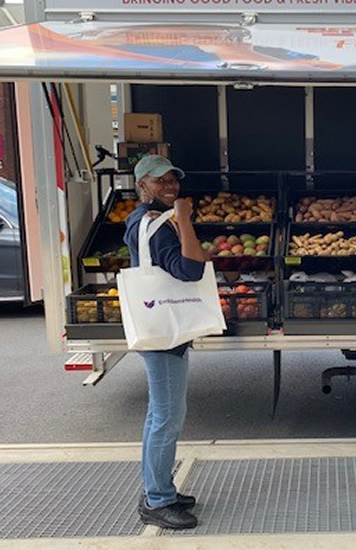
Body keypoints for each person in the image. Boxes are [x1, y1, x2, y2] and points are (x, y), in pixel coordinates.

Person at [123, 154, 204, 530]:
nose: (170, 186)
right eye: (160, 181)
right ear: (142, 186)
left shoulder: (140, 221)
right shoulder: (156, 225)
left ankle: (160, 489)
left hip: (158, 326)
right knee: (167, 418)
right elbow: (191, 269)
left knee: (160, 414)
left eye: (173, 179)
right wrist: (184, 217)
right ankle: (157, 500)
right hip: (163, 336)